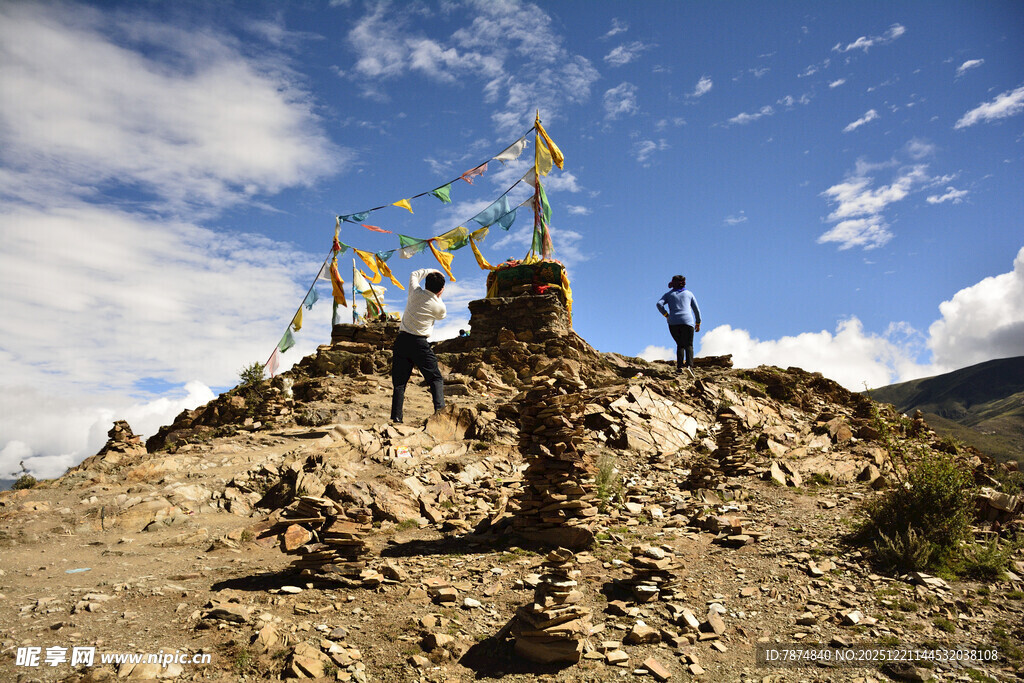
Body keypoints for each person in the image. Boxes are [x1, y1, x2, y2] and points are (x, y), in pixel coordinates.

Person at [391, 268, 447, 423]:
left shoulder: (415, 293)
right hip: (420, 343)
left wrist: (433, 270)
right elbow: (442, 316)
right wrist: (438, 297)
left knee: (400, 382)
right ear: (441, 289)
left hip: (402, 341)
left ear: (426, 283)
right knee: (435, 378)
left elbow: (414, 274)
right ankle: (440, 412)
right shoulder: (439, 306)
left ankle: (396, 417)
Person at [656, 275, 701, 373]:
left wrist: (666, 315)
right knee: (689, 345)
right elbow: (696, 310)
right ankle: (689, 367)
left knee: (680, 344)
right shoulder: (689, 294)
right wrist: (698, 322)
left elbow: (659, 304)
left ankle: (679, 368)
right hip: (687, 322)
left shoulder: (668, 294)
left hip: (673, 322)